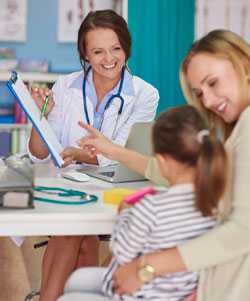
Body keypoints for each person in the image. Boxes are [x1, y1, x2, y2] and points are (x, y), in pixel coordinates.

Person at [68, 29, 250, 301]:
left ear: (244, 65)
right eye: (200, 93)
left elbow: (242, 231)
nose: (208, 101)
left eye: (213, 83)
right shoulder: (236, 131)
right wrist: (114, 151)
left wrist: (146, 268)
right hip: (202, 281)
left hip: (221, 289)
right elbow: (174, 171)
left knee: (73, 295)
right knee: (79, 281)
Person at [28, 10, 159, 301]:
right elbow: (40, 153)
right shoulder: (65, 86)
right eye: (97, 51)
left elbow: (124, 153)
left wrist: (80, 152)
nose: (108, 58)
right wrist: (40, 117)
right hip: (69, 187)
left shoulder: (145, 94)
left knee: (74, 232)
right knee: (77, 234)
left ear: (126, 47)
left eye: (116, 48)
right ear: (85, 55)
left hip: (115, 187)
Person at [57, 105, 227, 301]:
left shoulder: (151, 207)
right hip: (178, 294)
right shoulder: (214, 205)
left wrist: (125, 214)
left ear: (161, 161)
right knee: (78, 280)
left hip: (139, 294)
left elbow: (121, 252)